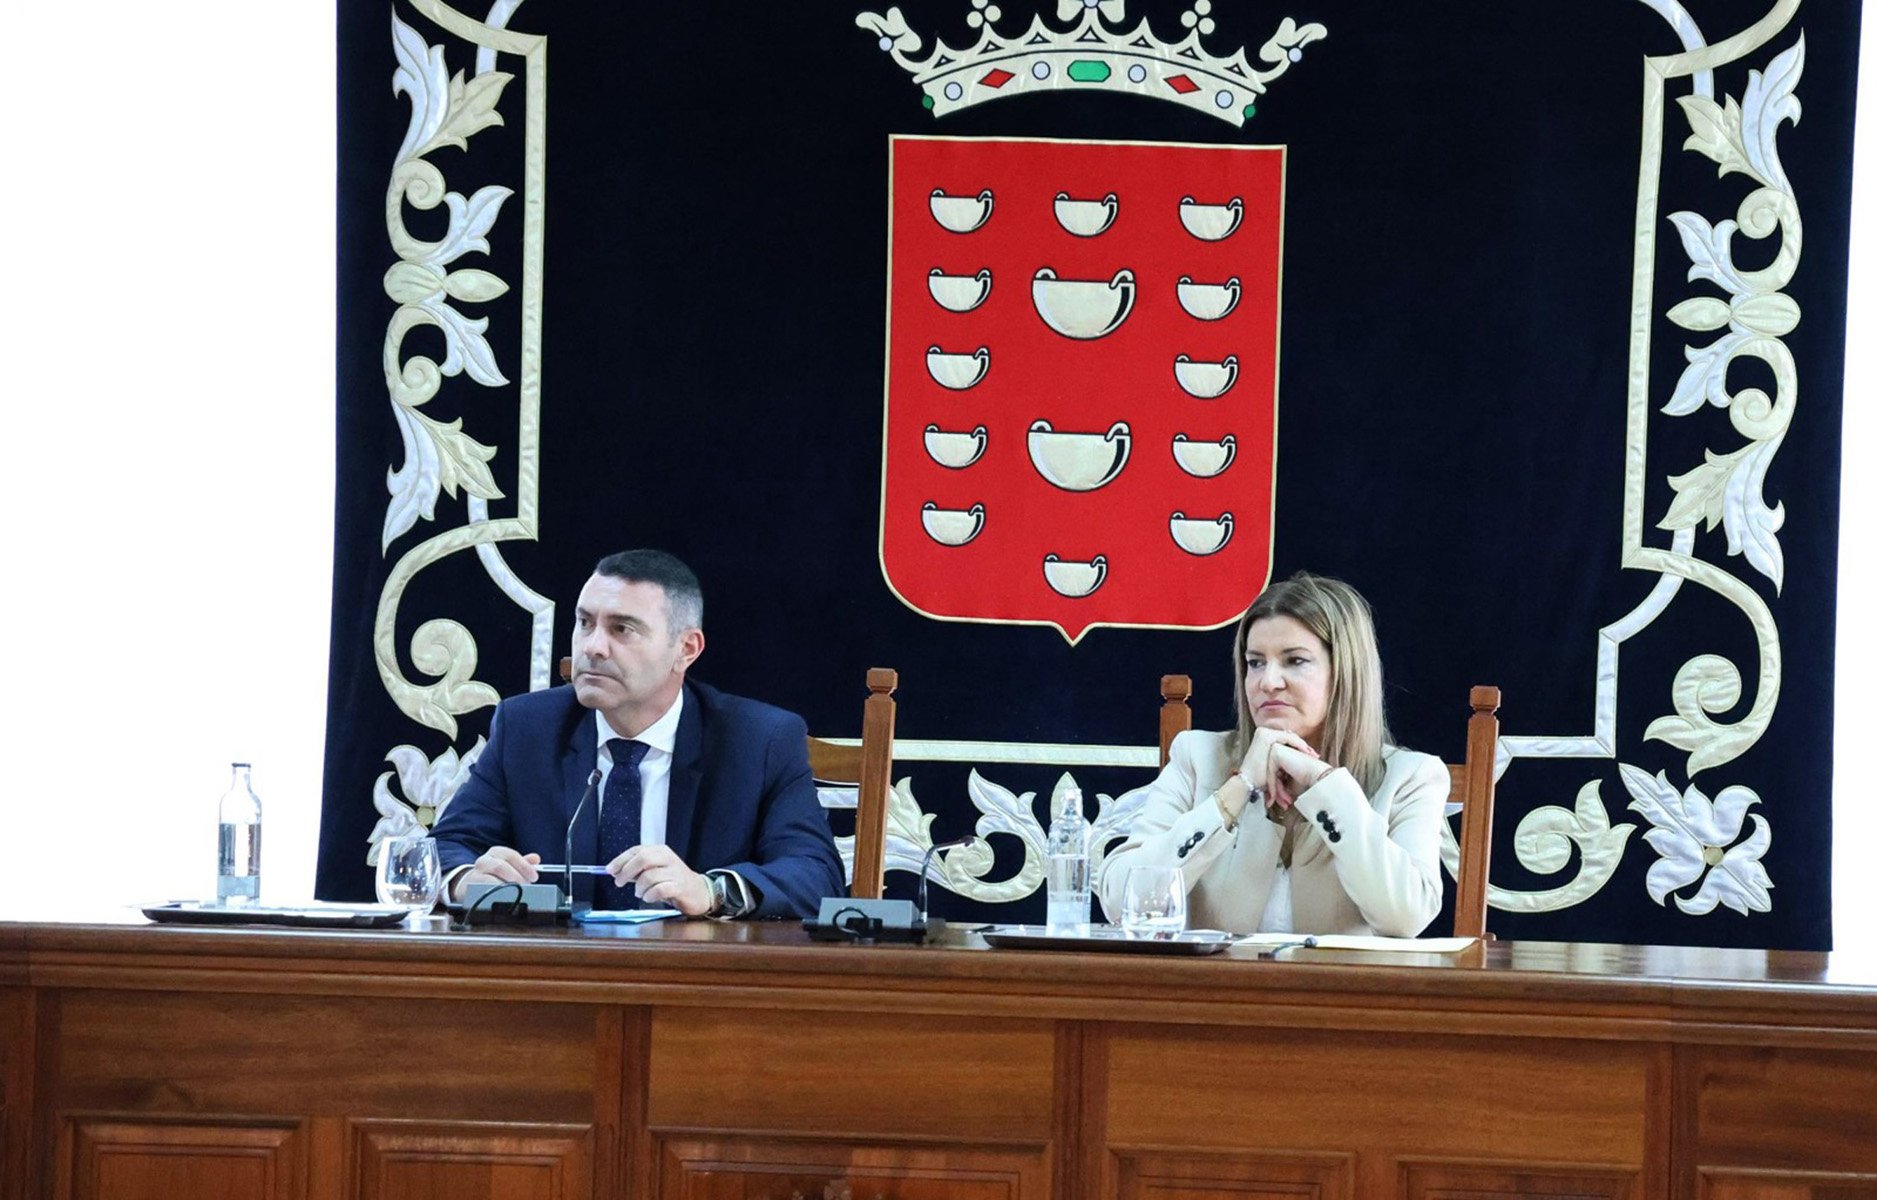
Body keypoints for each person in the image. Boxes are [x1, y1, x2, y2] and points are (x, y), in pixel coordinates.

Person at [430, 550, 844, 918]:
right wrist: (466, 879)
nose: (593, 647)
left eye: (621, 629)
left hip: (694, 981)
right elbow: (445, 847)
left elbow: (816, 875)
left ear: (686, 649)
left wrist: (711, 890)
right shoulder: (527, 728)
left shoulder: (759, 740)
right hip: (557, 979)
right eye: (584, 623)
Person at [1096, 572, 1447, 937]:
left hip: (1344, 994)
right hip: (1214, 992)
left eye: (1295, 661)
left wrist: (1324, 785)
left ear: (1345, 673)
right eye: (1256, 662)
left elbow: (1406, 917)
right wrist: (1235, 792)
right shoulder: (1197, 757)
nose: (1267, 682)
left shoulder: (1411, 777)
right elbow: (1123, 901)